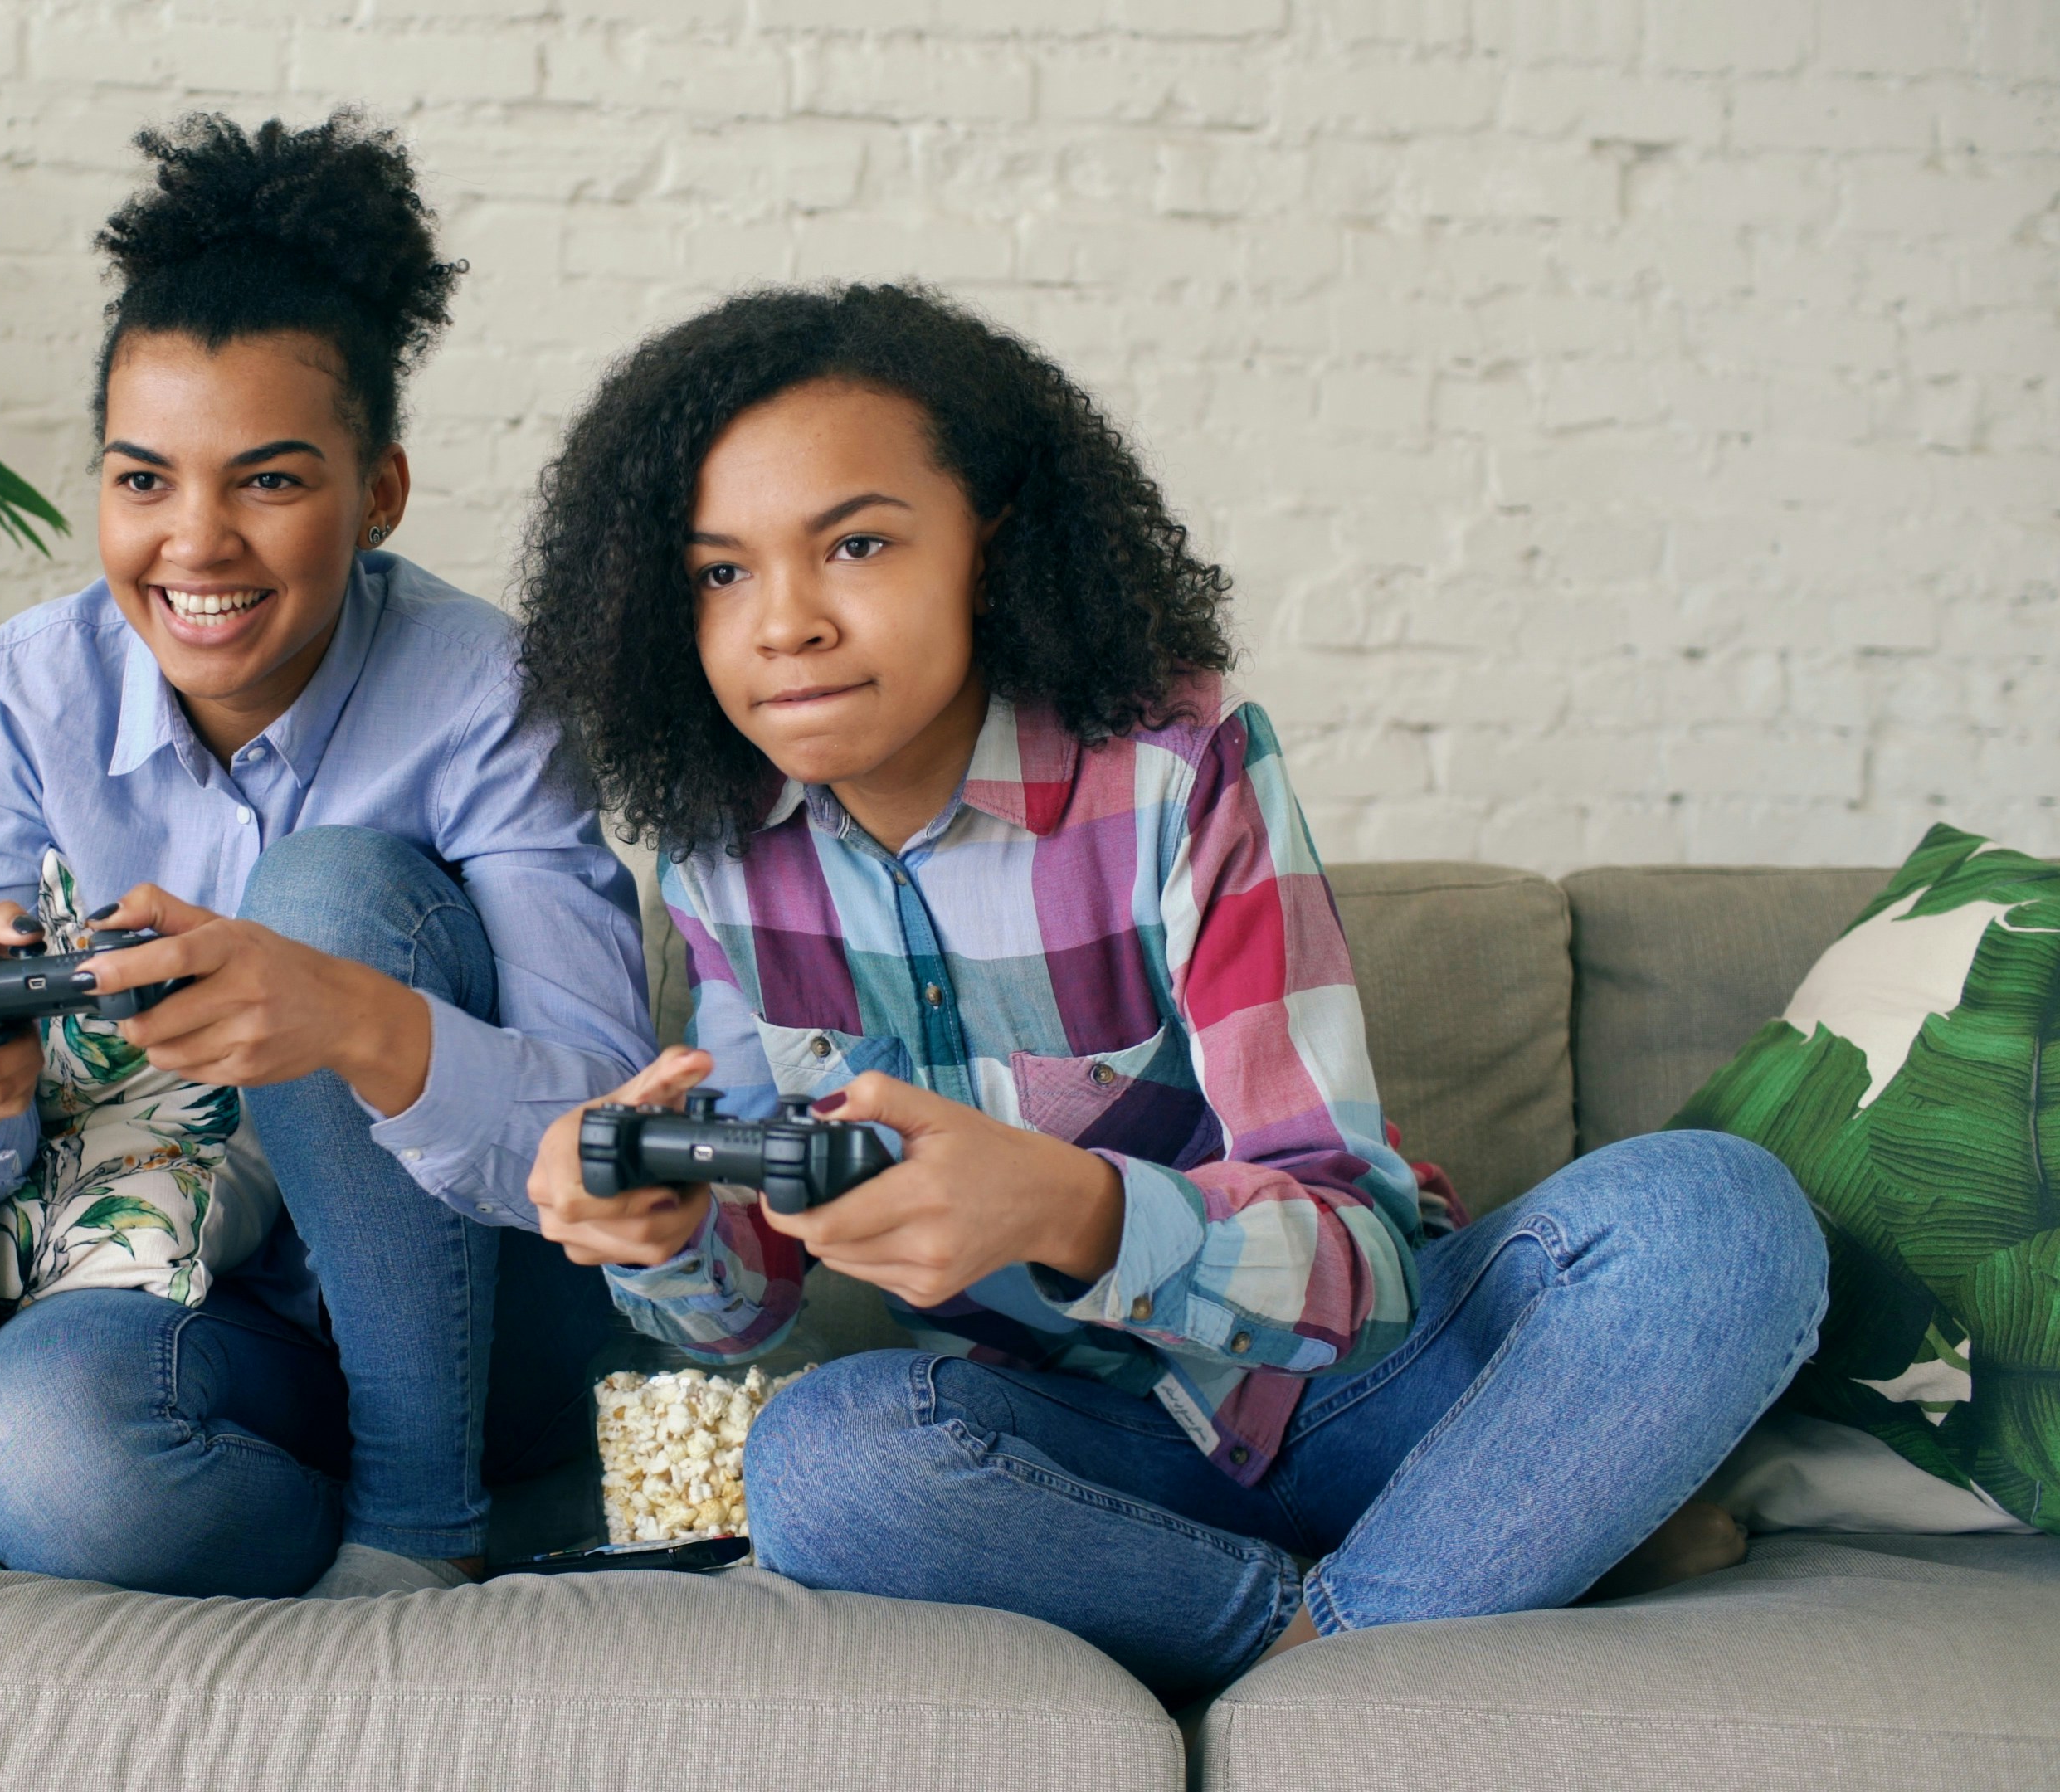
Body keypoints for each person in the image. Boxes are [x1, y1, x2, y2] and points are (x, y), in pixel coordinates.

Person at [514, 283, 1828, 1699]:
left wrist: (1075, 1207)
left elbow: (1365, 1264)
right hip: (1076, 1470)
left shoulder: (1176, 778)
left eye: (857, 544)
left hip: (1369, 1393)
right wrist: (656, 1235)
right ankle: (1429, 1591)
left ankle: (1348, 1638)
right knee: (821, 1460)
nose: (787, 625)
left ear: (990, 544)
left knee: (1717, 1217)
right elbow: (756, 1301)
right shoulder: (723, 863)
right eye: (721, 574)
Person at [0, 112, 650, 1600]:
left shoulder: (490, 696)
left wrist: (351, 1015)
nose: (197, 544)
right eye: (143, 480)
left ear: (381, 495)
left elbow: (602, 1134)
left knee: (330, 894)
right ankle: (435, 1510)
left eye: (272, 482)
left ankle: (423, 1524)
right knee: (43, 1457)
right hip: (226, 1315)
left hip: (509, 1312)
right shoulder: (29, 701)